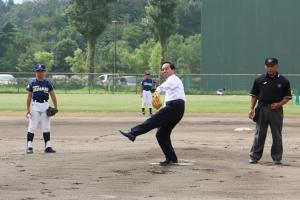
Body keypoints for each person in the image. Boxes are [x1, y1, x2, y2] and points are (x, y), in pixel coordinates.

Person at [119, 61, 186, 166]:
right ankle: (171, 159)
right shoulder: (172, 81)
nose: (164, 71)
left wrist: (156, 91)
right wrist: (163, 107)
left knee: (152, 120)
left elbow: (163, 87)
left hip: (174, 107)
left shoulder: (173, 79)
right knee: (161, 134)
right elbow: (168, 96)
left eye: (166, 68)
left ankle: (133, 133)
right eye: (163, 69)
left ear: (173, 70)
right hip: (175, 108)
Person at [248, 58, 292, 165]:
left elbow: (287, 97)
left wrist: (279, 104)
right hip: (262, 109)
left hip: (276, 111)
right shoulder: (259, 80)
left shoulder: (283, 81)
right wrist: (251, 109)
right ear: (265, 66)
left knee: (277, 134)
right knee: (259, 134)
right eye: (268, 66)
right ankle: (254, 157)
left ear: (277, 66)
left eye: (272, 66)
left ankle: (277, 158)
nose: (270, 68)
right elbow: (254, 96)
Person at [26, 64, 58, 154]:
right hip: (35, 105)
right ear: (36, 72)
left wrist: (56, 107)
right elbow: (29, 97)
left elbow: (53, 95)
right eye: (38, 71)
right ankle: (29, 146)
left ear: (44, 72)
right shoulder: (32, 83)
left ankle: (48, 146)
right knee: (32, 126)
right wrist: (28, 110)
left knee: (46, 126)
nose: (40, 73)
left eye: (41, 71)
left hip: (45, 105)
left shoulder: (48, 83)